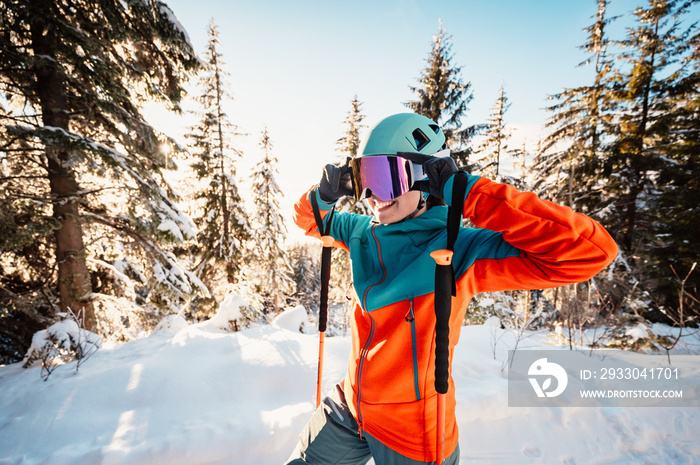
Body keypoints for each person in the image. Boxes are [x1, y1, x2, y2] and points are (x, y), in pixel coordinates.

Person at [287, 113, 618, 465]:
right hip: (350, 408)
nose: (371, 196)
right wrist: (323, 195)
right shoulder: (360, 233)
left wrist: (469, 194)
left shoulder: (459, 249)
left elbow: (591, 251)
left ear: (428, 181)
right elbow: (308, 220)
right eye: (362, 178)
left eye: (385, 178)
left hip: (412, 433)